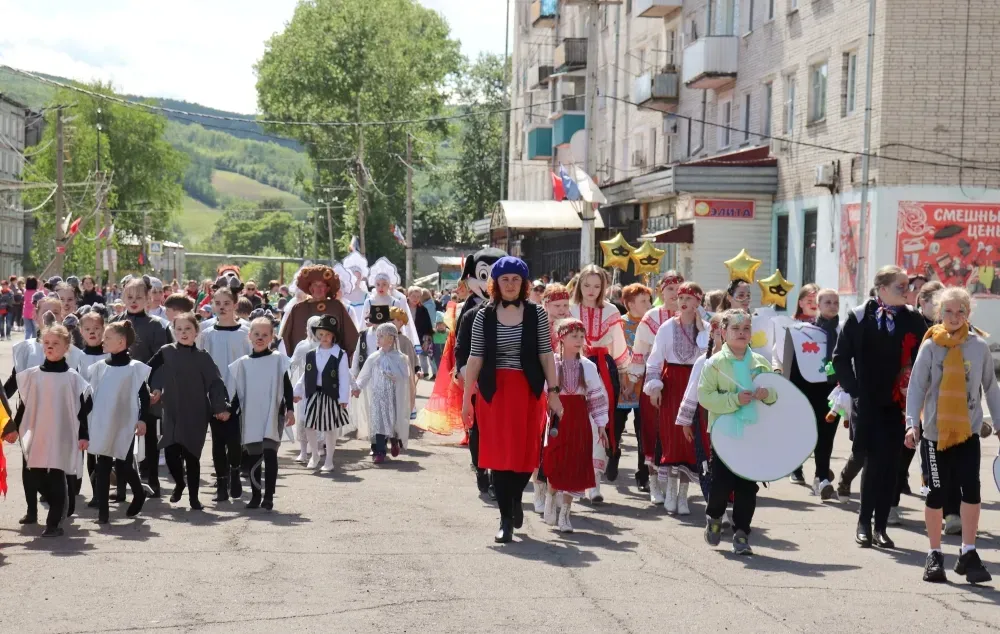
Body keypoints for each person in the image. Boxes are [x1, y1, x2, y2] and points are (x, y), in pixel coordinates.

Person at [462, 256, 562, 544]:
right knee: (498, 457)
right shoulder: (484, 314)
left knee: (524, 455)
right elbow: (476, 356)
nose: (510, 284)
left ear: (523, 284)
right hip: (494, 391)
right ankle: (505, 520)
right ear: (496, 283)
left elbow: (545, 354)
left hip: (528, 391)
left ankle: (516, 498)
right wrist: (468, 398)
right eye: (504, 279)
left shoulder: (537, 314)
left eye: (515, 279)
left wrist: (553, 393)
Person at [906, 287, 999, 583]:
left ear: (968, 314)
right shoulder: (931, 346)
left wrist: (999, 423)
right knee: (936, 493)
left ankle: (968, 551)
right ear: (939, 313)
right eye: (948, 311)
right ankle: (934, 553)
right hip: (934, 434)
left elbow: (991, 387)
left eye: (961, 311)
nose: (955, 316)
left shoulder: (979, 347)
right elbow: (917, 387)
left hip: (967, 432)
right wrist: (912, 424)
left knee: (971, 491)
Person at [833, 265, 927, 549]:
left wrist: (916, 390)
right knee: (872, 463)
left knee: (891, 466)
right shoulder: (860, 316)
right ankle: (864, 523)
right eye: (901, 286)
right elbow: (840, 358)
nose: (907, 291)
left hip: (900, 404)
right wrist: (855, 392)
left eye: (907, 286)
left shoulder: (913, 319)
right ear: (882, 289)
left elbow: (925, 356)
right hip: (869, 402)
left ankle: (881, 526)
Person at [698, 309, 777, 555]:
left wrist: (768, 394)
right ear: (723, 332)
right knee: (722, 482)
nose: (742, 334)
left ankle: (742, 532)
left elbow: (776, 394)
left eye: (746, 329)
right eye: (735, 329)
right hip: (724, 434)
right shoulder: (714, 364)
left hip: (752, 434)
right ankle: (714, 516)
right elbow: (705, 397)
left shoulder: (760, 363)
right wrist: (733, 400)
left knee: (746, 486)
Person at [2, 324, 93, 536]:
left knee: (57, 476)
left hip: (63, 434)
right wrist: (13, 427)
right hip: (37, 434)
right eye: (47, 343)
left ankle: (53, 523)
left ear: (66, 348)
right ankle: (60, 503)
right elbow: (24, 404)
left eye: (55, 344)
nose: (50, 347)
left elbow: (83, 408)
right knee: (36, 476)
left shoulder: (72, 378)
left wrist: (84, 434)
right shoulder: (32, 375)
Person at [148, 312, 230, 510]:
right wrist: (155, 388)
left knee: (192, 456)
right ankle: (179, 483)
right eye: (179, 329)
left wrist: (220, 407)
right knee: (170, 454)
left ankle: (194, 498)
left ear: (196, 332)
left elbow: (216, 383)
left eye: (188, 329)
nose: (183, 333)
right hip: (172, 411)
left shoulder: (203, 357)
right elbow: (148, 369)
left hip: (195, 413)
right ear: (173, 331)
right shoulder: (166, 351)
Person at [643, 282, 710, 514]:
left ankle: (683, 495)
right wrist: (655, 388)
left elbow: (710, 357)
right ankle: (670, 490)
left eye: (689, 298)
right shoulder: (666, 327)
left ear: (698, 302)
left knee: (691, 439)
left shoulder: (707, 329)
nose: (683, 301)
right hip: (671, 383)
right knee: (671, 437)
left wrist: (703, 330)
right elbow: (654, 360)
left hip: (696, 382)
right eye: (680, 297)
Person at [542, 318, 609, 533]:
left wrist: (601, 425)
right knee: (556, 461)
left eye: (582, 336)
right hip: (557, 418)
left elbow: (597, 397)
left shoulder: (587, 366)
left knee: (575, 463)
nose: (579, 340)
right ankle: (551, 497)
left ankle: (565, 515)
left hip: (579, 419)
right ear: (561, 337)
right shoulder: (552, 363)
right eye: (574, 336)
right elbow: (543, 392)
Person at [569, 264, 629, 503]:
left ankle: (594, 481)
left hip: (604, 367)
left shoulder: (611, 310)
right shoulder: (570, 309)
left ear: (603, 287)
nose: (591, 290)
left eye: (596, 285)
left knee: (599, 422)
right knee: (576, 422)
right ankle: (576, 478)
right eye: (586, 285)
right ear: (579, 285)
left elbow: (619, 344)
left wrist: (625, 374)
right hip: (573, 366)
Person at [111, 276, 172, 497]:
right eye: (129, 296)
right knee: (121, 436)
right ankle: (120, 488)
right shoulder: (116, 322)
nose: (134, 300)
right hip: (121, 389)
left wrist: (157, 387)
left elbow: (162, 359)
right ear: (122, 297)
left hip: (147, 389)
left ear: (148, 298)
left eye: (139, 297)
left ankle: (152, 480)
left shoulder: (156, 326)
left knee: (148, 436)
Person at [777, 284, 840, 497]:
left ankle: (821, 477)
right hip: (807, 387)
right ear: (818, 305)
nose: (832, 306)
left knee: (827, 435)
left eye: (835, 302)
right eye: (827, 302)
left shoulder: (844, 331)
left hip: (834, 390)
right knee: (806, 432)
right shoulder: (800, 331)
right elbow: (791, 363)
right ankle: (798, 466)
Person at [86, 320, 150, 523]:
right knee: (103, 464)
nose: (102, 340)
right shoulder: (98, 368)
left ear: (121, 342)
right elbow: (90, 397)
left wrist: (142, 420)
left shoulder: (134, 368)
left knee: (123, 465)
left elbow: (144, 397)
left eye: (107, 337)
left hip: (125, 422)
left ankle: (139, 493)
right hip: (103, 421)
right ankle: (103, 514)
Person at [226, 317, 294, 510]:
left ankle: (269, 497)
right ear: (249, 336)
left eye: (265, 334)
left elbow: (286, 387)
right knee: (254, 457)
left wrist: (290, 409)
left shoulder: (278, 360)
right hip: (251, 416)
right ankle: (256, 496)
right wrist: (230, 411)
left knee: (270, 454)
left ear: (272, 337)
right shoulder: (243, 364)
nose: (260, 338)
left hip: (273, 416)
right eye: (256, 334)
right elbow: (239, 393)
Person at [628, 271, 683, 500]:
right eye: (670, 289)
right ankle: (652, 481)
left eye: (680, 289)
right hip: (654, 378)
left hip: (681, 381)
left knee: (677, 432)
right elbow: (640, 350)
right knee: (652, 429)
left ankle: (673, 485)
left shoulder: (692, 316)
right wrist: (633, 380)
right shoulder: (651, 317)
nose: (675, 294)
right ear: (661, 291)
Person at [198, 287, 252, 501]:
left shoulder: (245, 332)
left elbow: (250, 362)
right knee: (218, 441)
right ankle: (221, 483)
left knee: (234, 439)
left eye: (226, 303)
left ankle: (235, 473)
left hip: (238, 392)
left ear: (235, 305)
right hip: (214, 393)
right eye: (217, 303)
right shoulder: (207, 332)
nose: (221, 307)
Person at [293, 315, 352, 472]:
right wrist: (298, 390)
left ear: (333, 336)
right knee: (309, 425)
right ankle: (314, 455)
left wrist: (343, 398)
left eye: (327, 334)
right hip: (314, 394)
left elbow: (344, 377)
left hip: (331, 396)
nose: (324, 338)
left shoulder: (340, 354)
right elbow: (306, 374)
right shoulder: (311, 353)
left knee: (330, 428)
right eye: (321, 334)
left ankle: (329, 460)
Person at [352, 322, 411, 463]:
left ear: (391, 339)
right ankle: (379, 451)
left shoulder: (401, 358)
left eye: (381, 336)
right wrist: (357, 387)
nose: (377, 339)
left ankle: (395, 439)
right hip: (378, 397)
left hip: (393, 397)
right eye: (377, 336)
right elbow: (364, 375)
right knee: (378, 423)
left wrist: (395, 376)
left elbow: (405, 376)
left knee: (392, 421)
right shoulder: (374, 357)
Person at [614, 283, 652, 492]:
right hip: (622, 382)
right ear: (629, 304)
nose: (648, 305)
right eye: (643, 301)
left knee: (642, 431)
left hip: (644, 383)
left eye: (648, 300)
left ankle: (642, 474)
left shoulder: (653, 323)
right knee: (616, 426)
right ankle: (613, 455)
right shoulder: (619, 324)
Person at [279, 265, 359, 360]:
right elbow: (286, 338)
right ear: (310, 288)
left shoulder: (336, 307)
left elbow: (350, 336)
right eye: (315, 285)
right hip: (304, 361)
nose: (318, 289)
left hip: (332, 361)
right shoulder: (298, 309)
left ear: (327, 289)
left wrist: (350, 359)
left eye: (322, 285)